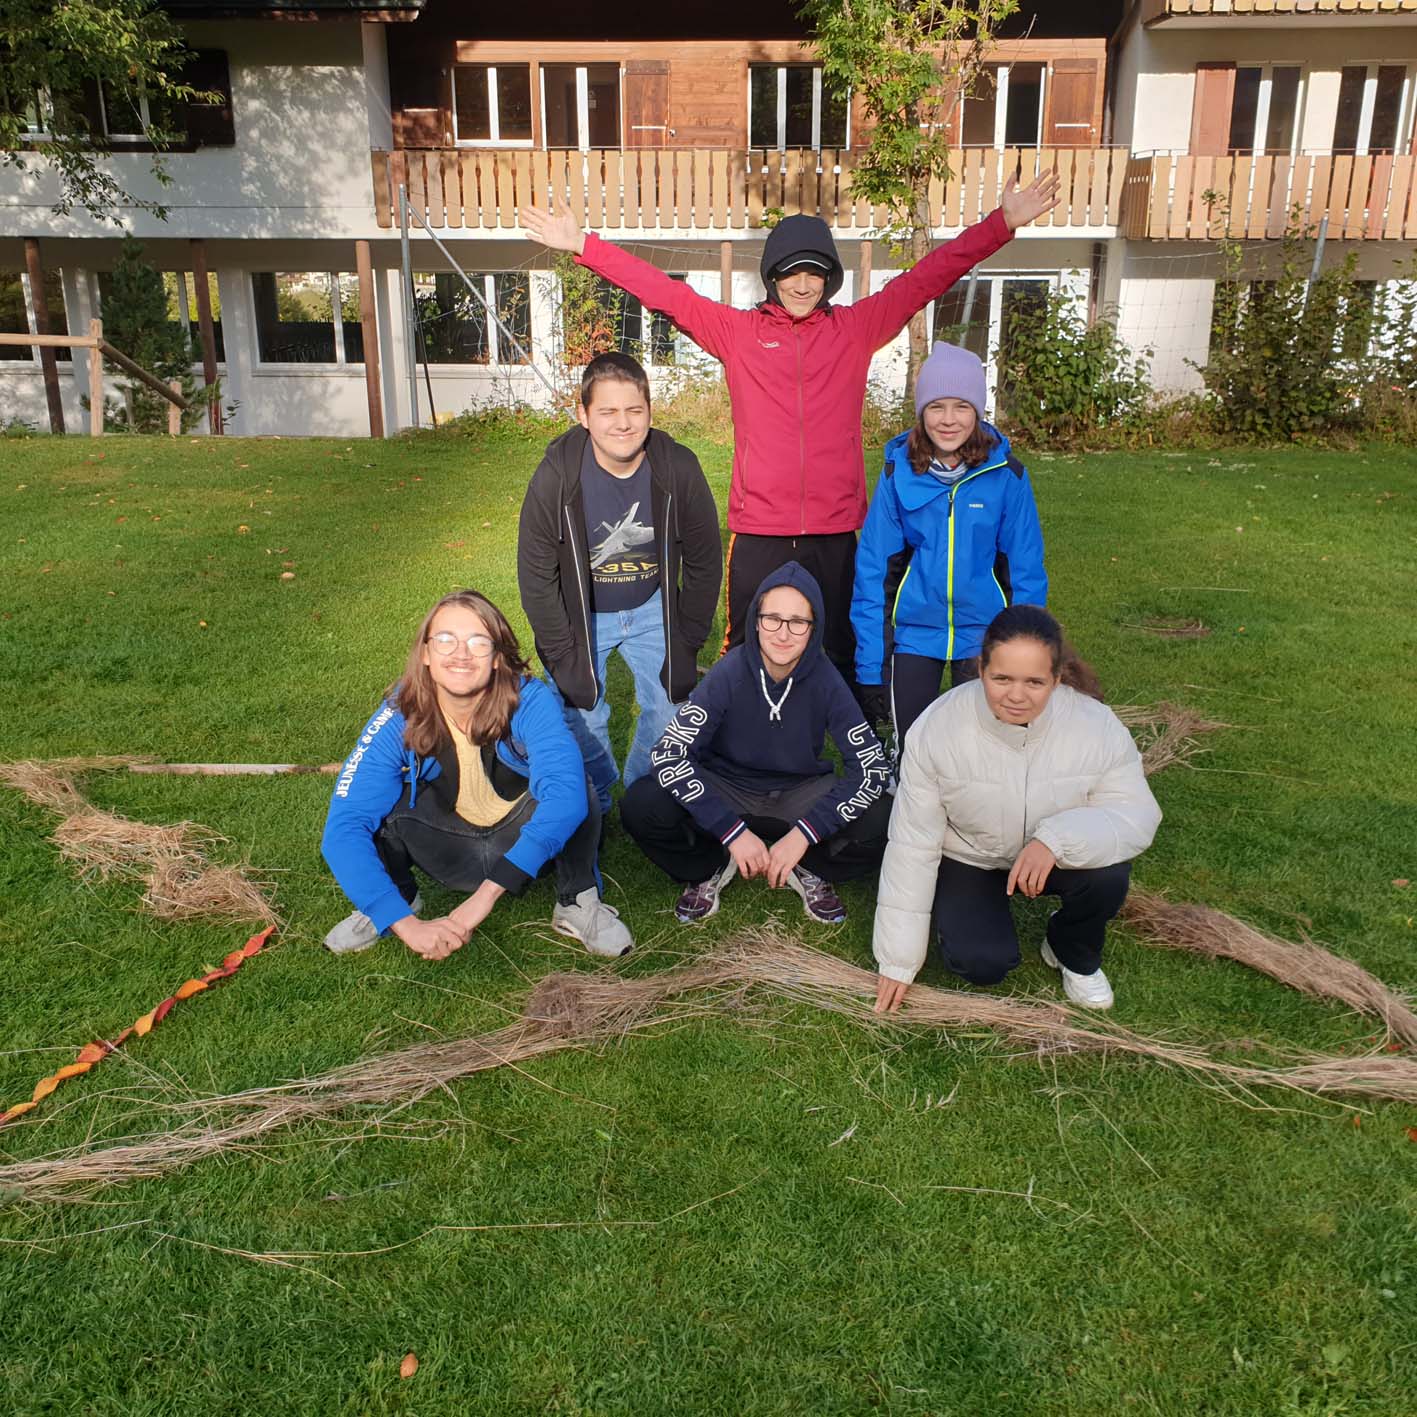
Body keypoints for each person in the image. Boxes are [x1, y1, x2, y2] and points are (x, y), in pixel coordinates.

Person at [519, 172, 1061, 685]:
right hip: (761, 528)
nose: (803, 285)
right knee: (745, 649)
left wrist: (1001, 224)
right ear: (773, 277)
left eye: (815, 273)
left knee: (844, 645)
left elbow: (926, 278)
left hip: (835, 528)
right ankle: (737, 736)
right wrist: (583, 246)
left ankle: (856, 735)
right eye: (791, 273)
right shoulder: (738, 333)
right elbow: (663, 293)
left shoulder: (855, 329)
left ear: (828, 279)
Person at [872, 605, 1161, 1012]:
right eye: (1002, 678)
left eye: (1035, 682)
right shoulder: (938, 727)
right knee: (981, 963)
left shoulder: (1097, 726)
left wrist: (1055, 841)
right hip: (971, 854)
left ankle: (1071, 950)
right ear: (981, 670)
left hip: (1051, 855)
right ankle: (969, 911)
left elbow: (1136, 813)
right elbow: (912, 845)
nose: (1016, 696)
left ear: (1056, 679)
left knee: (1108, 878)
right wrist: (898, 960)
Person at [320, 589, 632, 961]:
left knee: (576, 787)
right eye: (445, 639)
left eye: (478, 642)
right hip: (446, 849)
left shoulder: (529, 699)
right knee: (373, 807)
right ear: (425, 653)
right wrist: (405, 925)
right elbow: (344, 827)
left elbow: (565, 796)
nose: (461, 654)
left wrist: (486, 896)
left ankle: (577, 901)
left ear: (498, 657)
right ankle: (394, 902)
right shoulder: (398, 712)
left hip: (519, 841)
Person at [621, 563, 892, 926]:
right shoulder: (730, 671)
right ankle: (708, 865)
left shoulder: (825, 678)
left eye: (798, 622)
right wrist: (730, 831)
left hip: (799, 793)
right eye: (772, 619)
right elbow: (669, 754)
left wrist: (806, 833)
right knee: (642, 803)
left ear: (814, 628)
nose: (783, 633)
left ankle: (807, 863)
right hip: (728, 788)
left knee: (887, 818)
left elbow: (871, 769)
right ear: (756, 621)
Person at [518, 351, 722, 816]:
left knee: (671, 707)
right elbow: (535, 574)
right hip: (582, 616)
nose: (623, 423)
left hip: (652, 608)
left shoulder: (678, 468)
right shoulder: (556, 476)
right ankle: (599, 796)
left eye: (634, 410)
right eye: (608, 411)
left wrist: (688, 637)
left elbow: (705, 560)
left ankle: (644, 793)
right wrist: (562, 652)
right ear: (583, 414)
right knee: (582, 714)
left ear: (649, 411)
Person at [852, 341, 1047, 746]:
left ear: (977, 412)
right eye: (936, 406)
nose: (948, 419)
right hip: (914, 634)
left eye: (961, 406)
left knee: (986, 750)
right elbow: (873, 573)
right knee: (914, 747)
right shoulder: (896, 474)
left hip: (986, 635)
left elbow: (1025, 572)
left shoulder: (1007, 475)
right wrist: (871, 668)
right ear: (921, 411)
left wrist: (1026, 653)